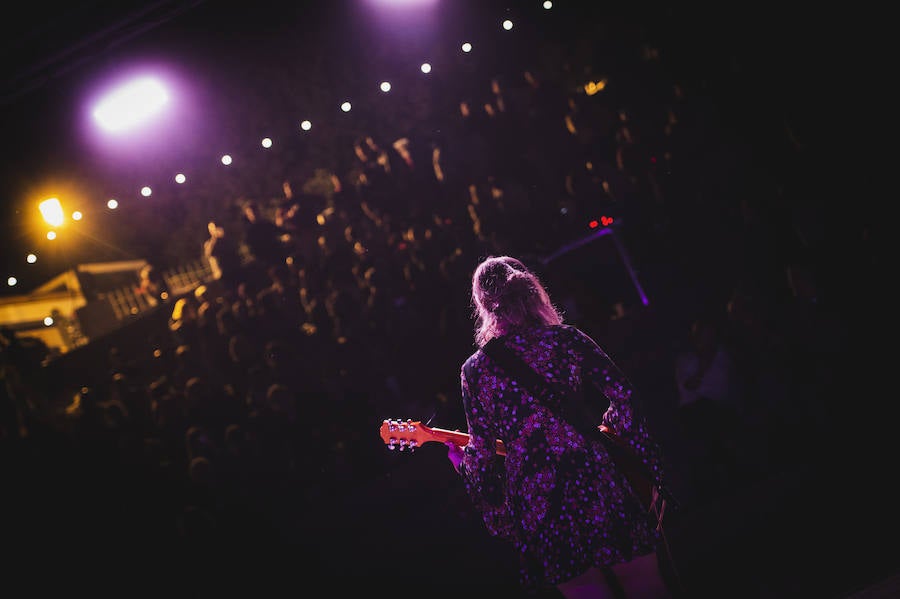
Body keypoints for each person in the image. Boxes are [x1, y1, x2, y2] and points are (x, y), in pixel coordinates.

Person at [445, 255, 677, 598]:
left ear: (482, 305)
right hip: (594, 476)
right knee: (644, 586)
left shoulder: (476, 370)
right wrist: (606, 433)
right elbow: (625, 396)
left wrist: (464, 466)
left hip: (539, 500)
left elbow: (481, 453)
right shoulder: (565, 339)